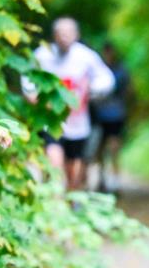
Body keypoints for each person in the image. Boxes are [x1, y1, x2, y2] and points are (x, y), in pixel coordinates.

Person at [25, 17, 115, 191]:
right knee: (54, 158)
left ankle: (71, 197)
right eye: (60, 33)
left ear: (76, 35)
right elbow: (27, 79)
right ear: (54, 35)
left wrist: (91, 90)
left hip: (78, 122)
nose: (64, 37)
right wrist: (32, 95)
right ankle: (56, 198)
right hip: (51, 120)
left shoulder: (86, 57)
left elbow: (107, 79)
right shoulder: (42, 55)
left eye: (68, 33)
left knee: (74, 167)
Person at [90, 43, 131, 193]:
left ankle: (114, 181)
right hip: (101, 115)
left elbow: (128, 92)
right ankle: (103, 180)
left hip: (114, 114)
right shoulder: (101, 70)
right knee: (100, 149)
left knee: (113, 147)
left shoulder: (117, 71)